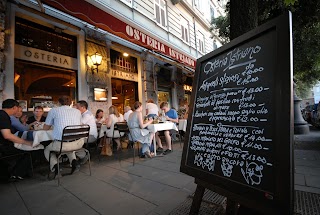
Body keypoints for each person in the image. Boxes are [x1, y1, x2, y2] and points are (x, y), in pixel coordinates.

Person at [42, 95, 83, 179]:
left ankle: (56, 167)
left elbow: (46, 128)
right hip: (78, 143)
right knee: (68, 146)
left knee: (47, 149)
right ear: (71, 102)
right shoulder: (77, 111)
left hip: (62, 145)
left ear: (59, 102)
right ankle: (74, 163)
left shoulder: (54, 111)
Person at [0, 99, 33, 181]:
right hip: (2, 147)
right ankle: (16, 174)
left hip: (3, 145)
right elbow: (7, 135)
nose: (18, 110)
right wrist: (26, 142)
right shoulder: (3, 116)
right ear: (14, 107)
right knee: (26, 152)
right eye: (18, 108)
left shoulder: (2, 114)